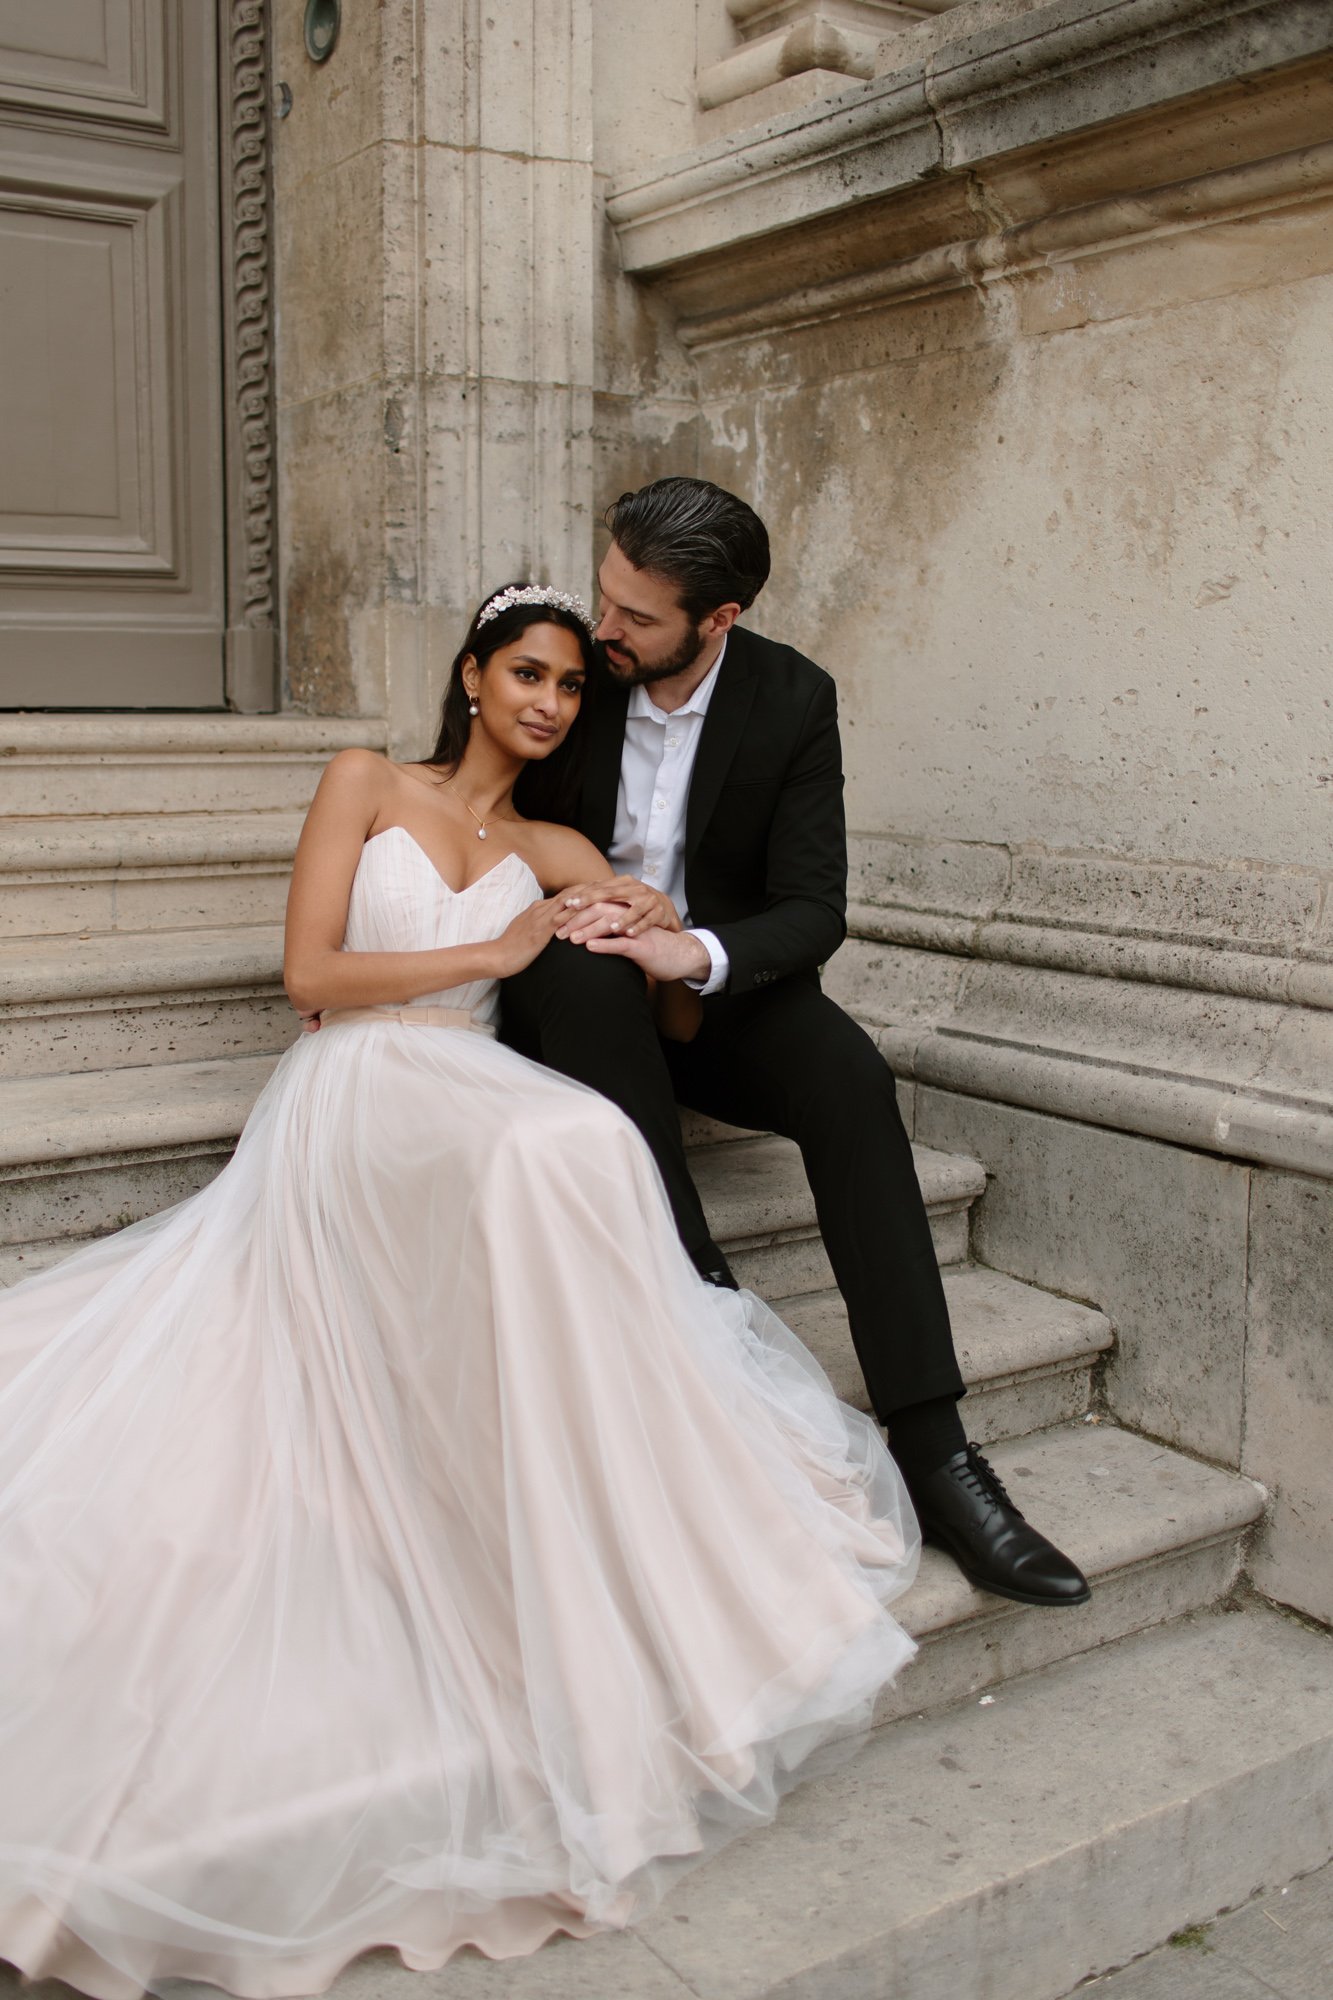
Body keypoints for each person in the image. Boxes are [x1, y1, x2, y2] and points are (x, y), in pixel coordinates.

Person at [0, 584, 920, 2000]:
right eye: (528, 674)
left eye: (568, 686)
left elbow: (664, 982)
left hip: (473, 1085)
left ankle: (582, 1505)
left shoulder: (554, 840)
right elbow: (310, 973)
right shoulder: (364, 779)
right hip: (358, 1081)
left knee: (576, 1142)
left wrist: (649, 912)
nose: (551, 703)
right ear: (473, 675)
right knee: (554, 1144)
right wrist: (493, 951)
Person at [499, 480, 1090, 1610]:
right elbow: (472, 799)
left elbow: (815, 906)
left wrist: (694, 949)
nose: (604, 629)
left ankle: (936, 1450)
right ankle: (710, 1312)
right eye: (605, 595)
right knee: (583, 967)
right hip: (576, 995)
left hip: (707, 991)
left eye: (638, 616)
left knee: (851, 1077)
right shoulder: (573, 669)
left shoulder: (790, 696)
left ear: (717, 619)